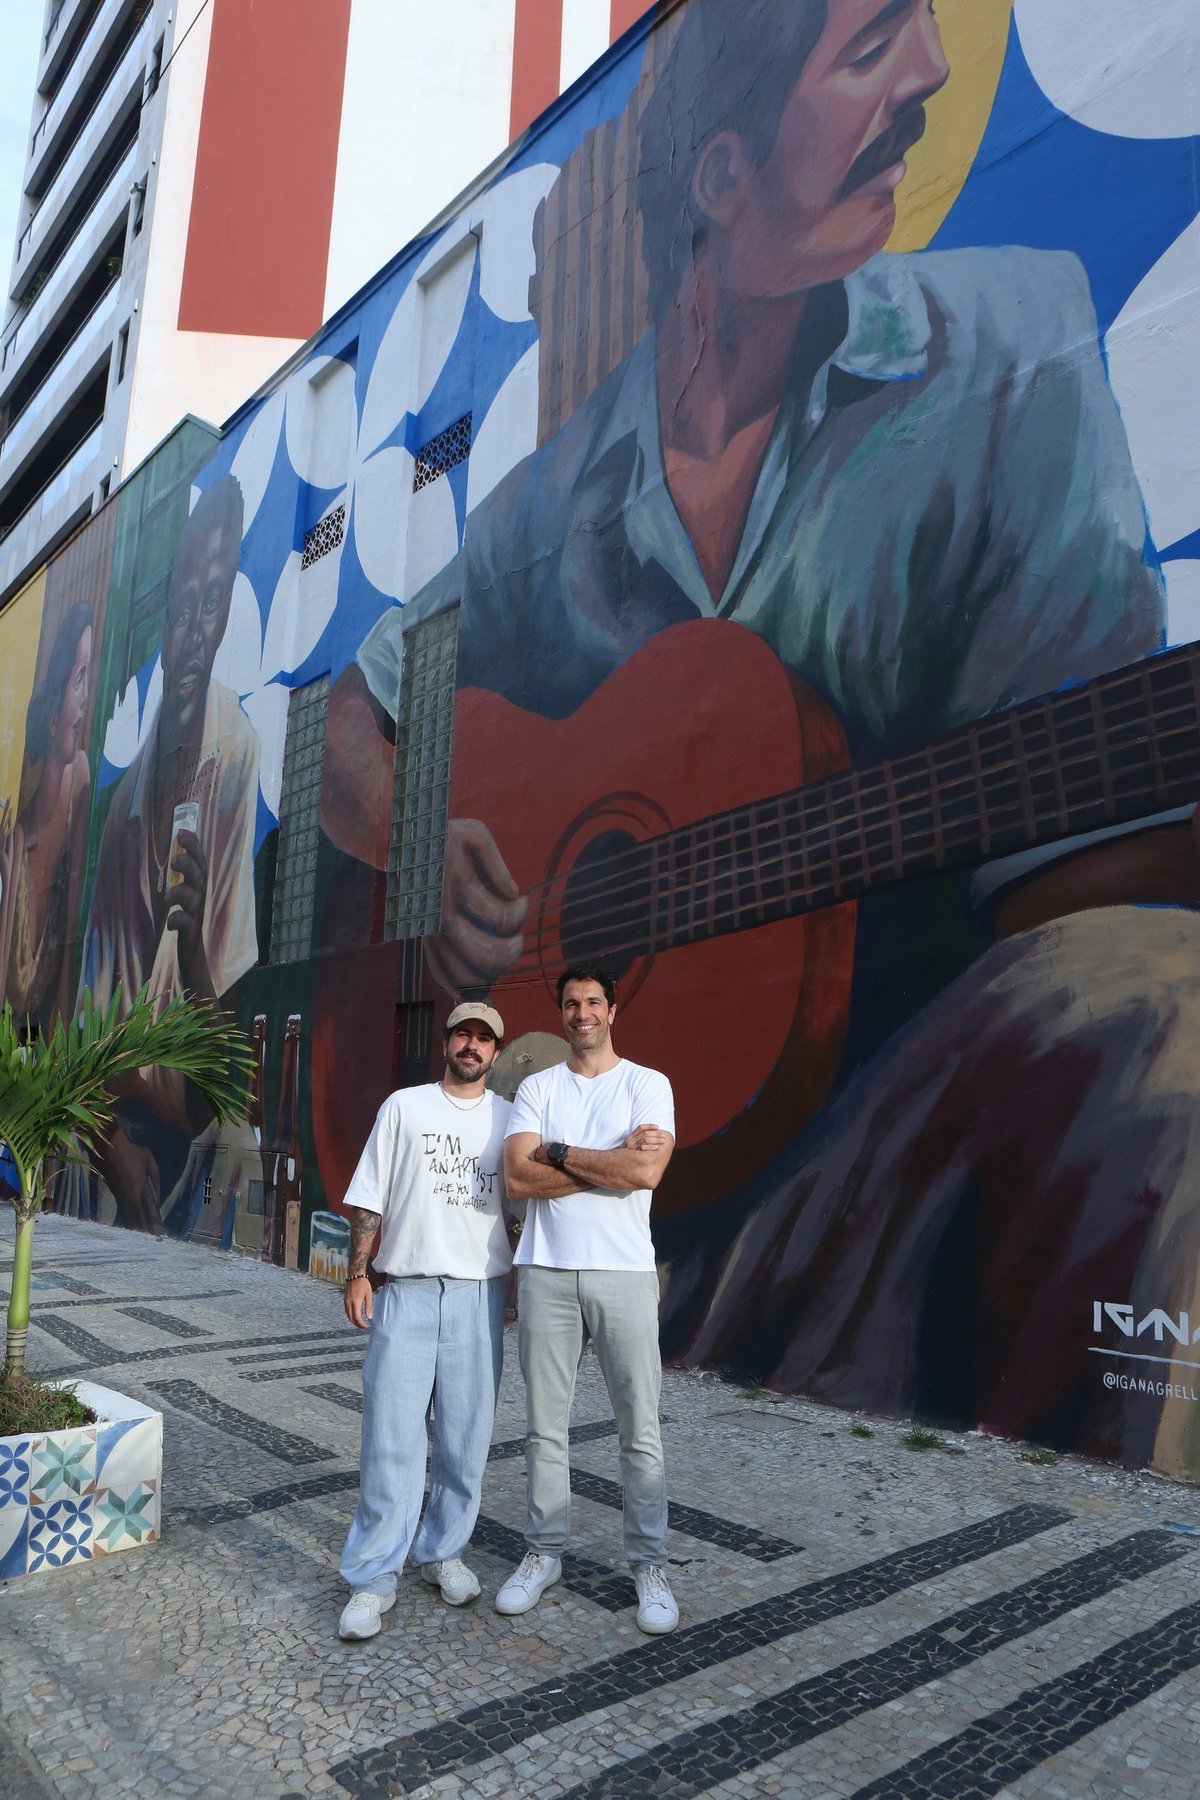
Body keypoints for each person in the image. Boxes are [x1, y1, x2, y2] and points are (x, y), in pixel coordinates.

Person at [322, 0, 1200, 1466]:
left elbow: (1073, 902)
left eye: (923, 34)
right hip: (601, 1226)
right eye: (870, 50)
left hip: (864, 1199)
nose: (925, 77)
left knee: (1153, 1000)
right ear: (722, 181)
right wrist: (432, 871)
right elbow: (357, 714)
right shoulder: (552, 501)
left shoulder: (1012, 346)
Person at [79, 475, 260, 1232]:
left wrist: (189, 960)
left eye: (211, 603)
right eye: (182, 608)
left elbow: (221, 1072)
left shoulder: (236, 754)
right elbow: (83, 1038)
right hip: (112, 1143)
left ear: (226, 616)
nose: (192, 631)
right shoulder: (123, 809)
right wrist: (110, 1141)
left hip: (188, 1146)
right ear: (164, 621)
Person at [498, 965, 678, 1635]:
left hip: (625, 1275)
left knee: (641, 1429)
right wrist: (607, 1162)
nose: (582, 1014)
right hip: (545, 1272)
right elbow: (518, 1176)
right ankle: (543, 1554)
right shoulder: (538, 1086)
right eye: (571, 1004)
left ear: (612, 1009)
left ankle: (650, 1566)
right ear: (562, 1012)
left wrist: (563, 1151)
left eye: (592, 1002)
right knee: (545, 1428)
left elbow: (646, 1171)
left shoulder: (647, 1085)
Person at [337, 1003, 514, 1641]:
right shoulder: (404, 1107)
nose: (472, 1046)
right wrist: (359, 1272)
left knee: (466, 1438)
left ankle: (442, 1551)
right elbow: (369, 1195)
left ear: (497, 1051)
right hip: (406, 1289)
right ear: (446, 1041)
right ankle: (371, 1576)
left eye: (484, 1038)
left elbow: (520, 1208)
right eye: (463, 1033)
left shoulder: (510, 1118)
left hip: (478, 1292)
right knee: (391, 1436)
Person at [0, 602, 93, 1035]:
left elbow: (73, 943)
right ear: (54, 715)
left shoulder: (80, 784)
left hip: (45, 1070)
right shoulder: (16, 842)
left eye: (88, 678)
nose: (87, 694)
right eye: (79, 680)